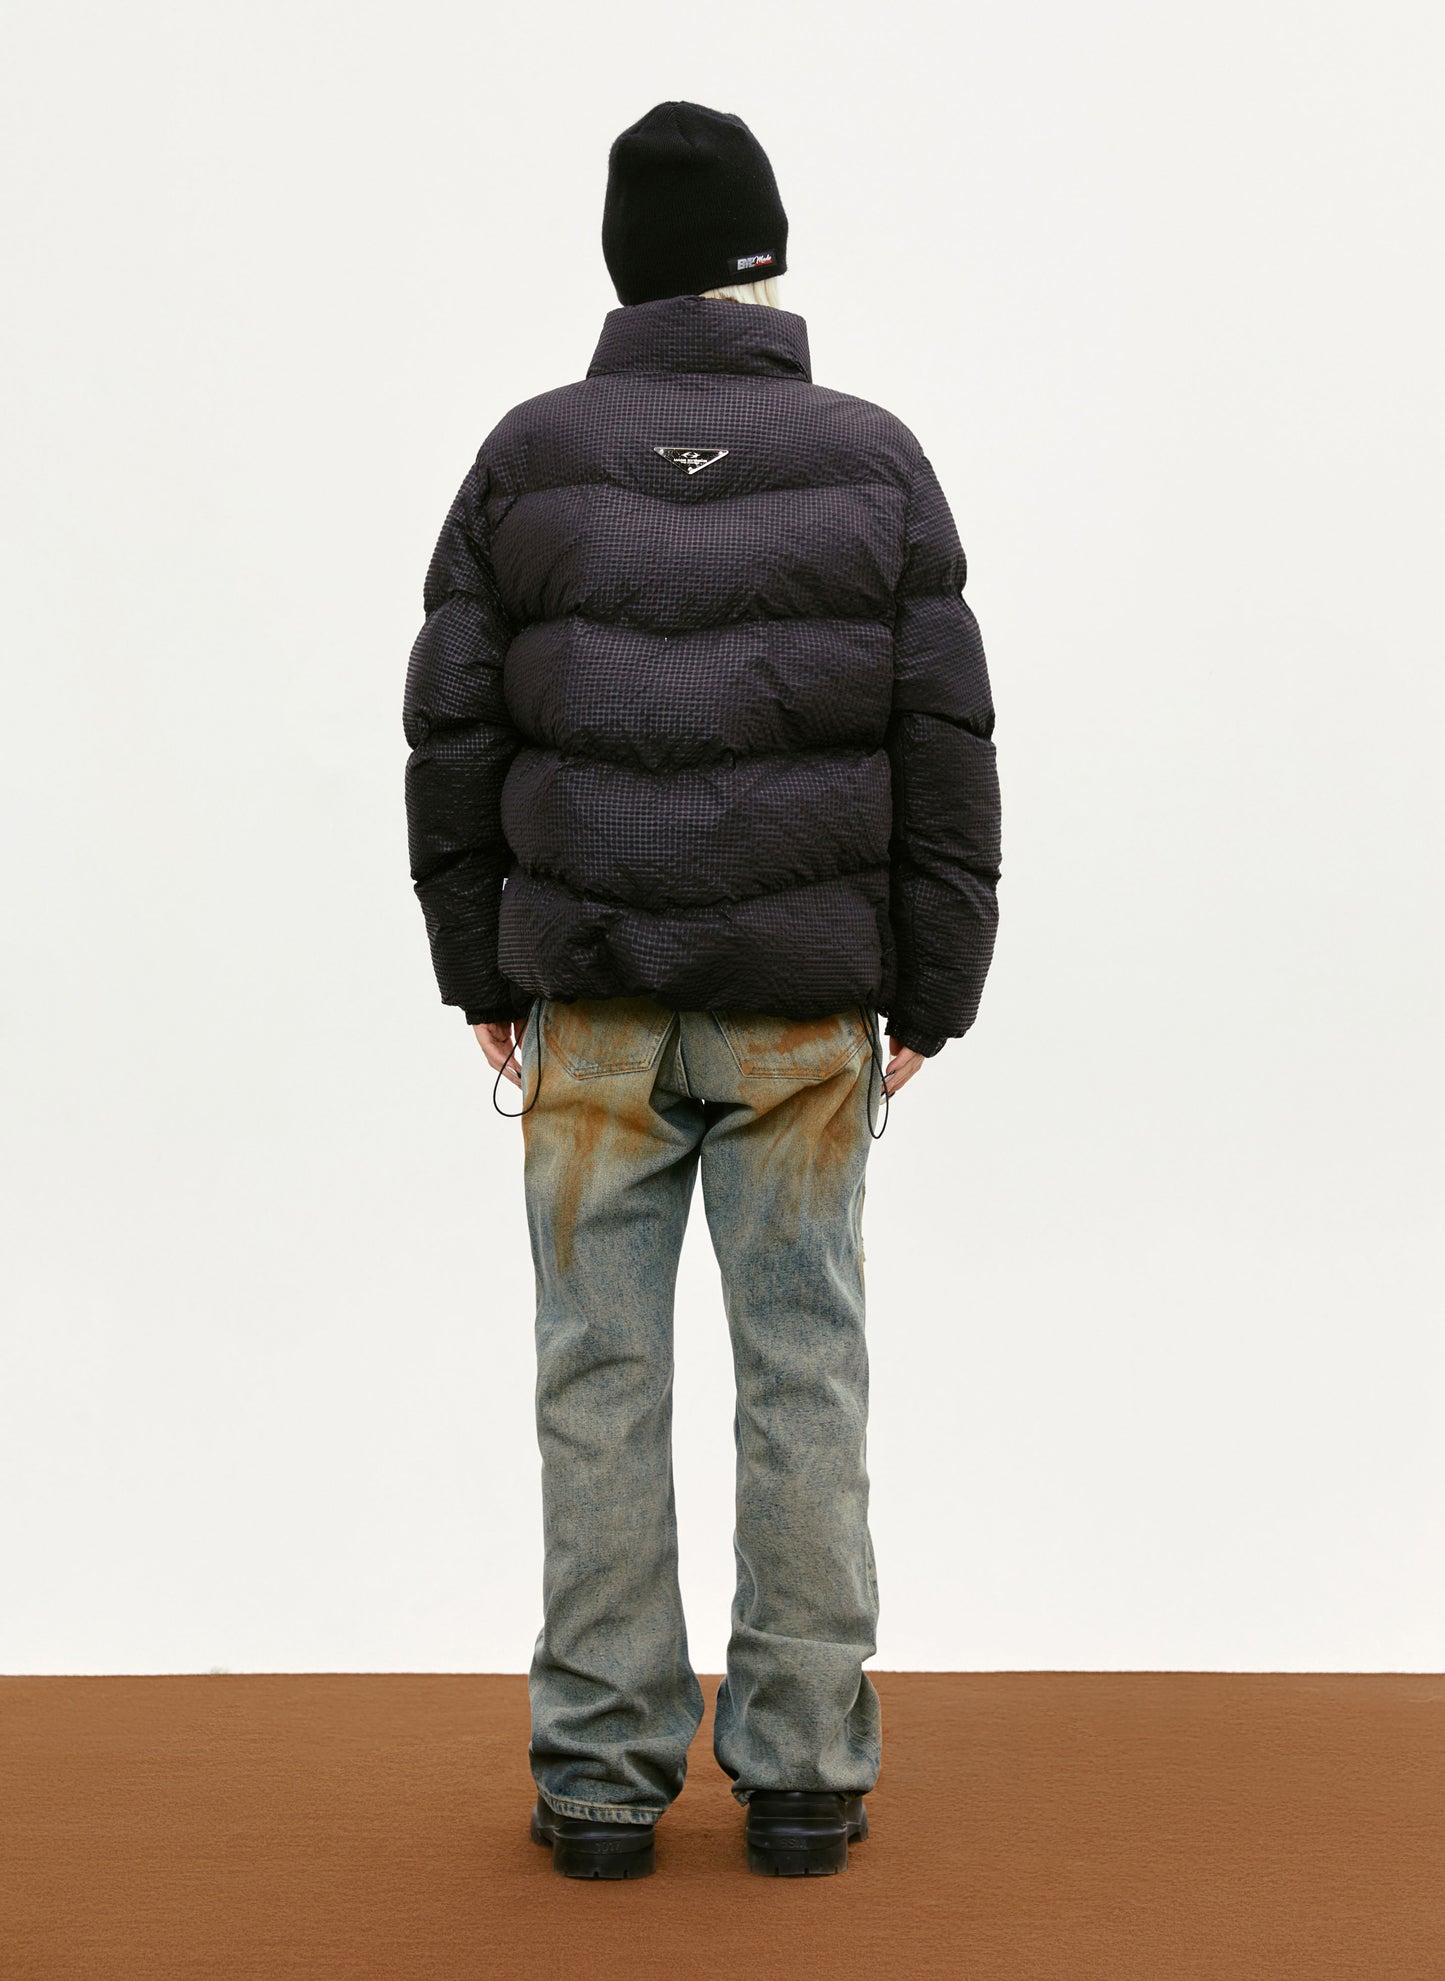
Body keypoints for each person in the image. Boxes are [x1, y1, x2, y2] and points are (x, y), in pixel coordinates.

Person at [403, 100, 1001, 1880]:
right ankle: (804, 1774)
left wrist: (475, 968)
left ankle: (599, 1783)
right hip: (802, 1013)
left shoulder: (527, 455)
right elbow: (943, 742)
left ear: (623, 271)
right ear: (767, 262)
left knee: (594, 1376)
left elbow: (452, 733)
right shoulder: (872, 459)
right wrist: (933, 991)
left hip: (587, 1004)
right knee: (803, 1371)